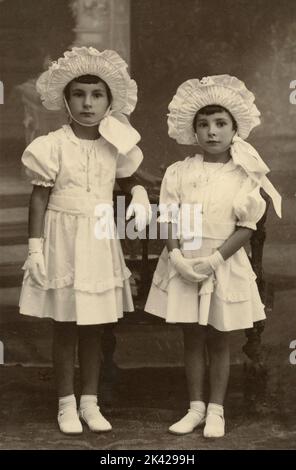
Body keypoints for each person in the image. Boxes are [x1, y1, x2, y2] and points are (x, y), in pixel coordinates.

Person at [19, 47, 151, 435]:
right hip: (62, 237)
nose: (88, 103)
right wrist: (35, 248)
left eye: (97, 95)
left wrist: (139, 195)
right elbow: (39, 198)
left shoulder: (114, 143)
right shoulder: (52, 145)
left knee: (93, 325)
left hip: (97, 238)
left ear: (110, 102)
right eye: (80, 94)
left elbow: (127, 178)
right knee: (65, 325)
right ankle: (65, 404)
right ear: (66, 100)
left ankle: (90, 402)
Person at [145, 75, 281, 438]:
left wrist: (215, 260)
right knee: (192, 337)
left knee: (219, 337)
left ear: (235, 128)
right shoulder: (180, 171)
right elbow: (169, 218)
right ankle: (195, 407)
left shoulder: (243, 176)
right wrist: (177, 258)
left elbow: (247, 226)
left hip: (223, 261)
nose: (212, 131)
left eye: (221, 123)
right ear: (193, 131)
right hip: (185, 260)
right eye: (203, 124)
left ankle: (217, 411)